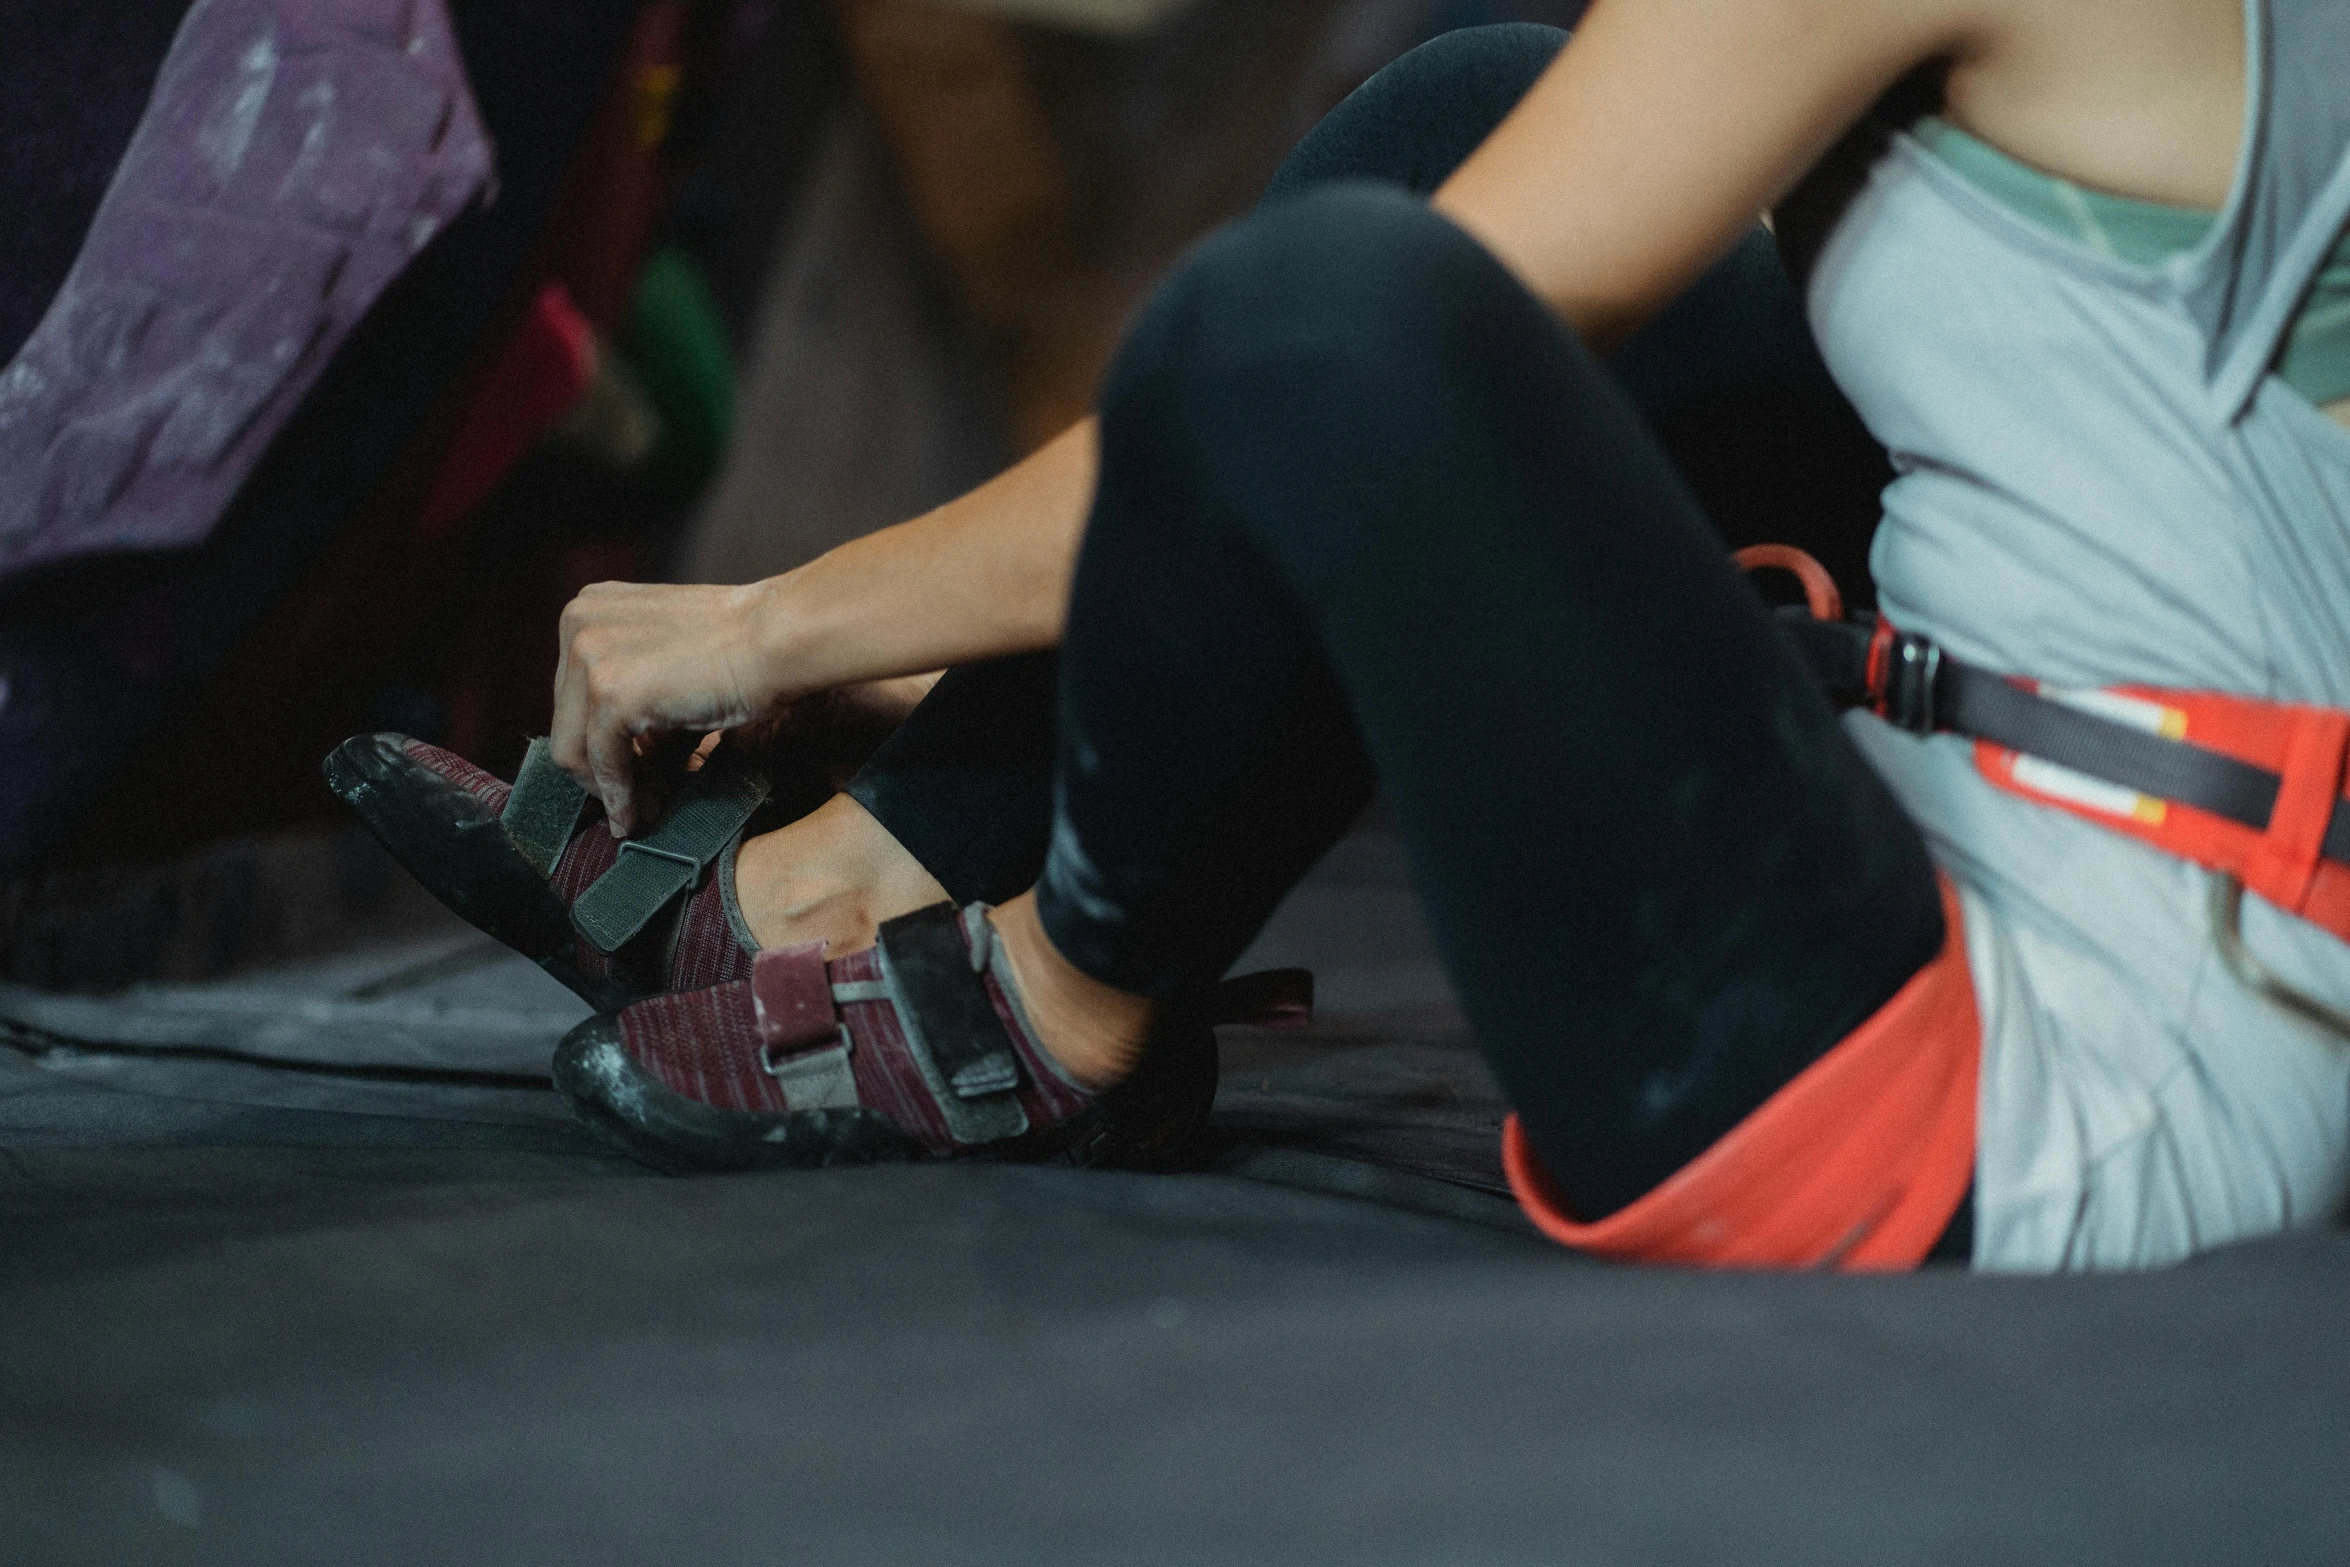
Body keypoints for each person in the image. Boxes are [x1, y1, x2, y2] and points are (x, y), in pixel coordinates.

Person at [331, 0, 2350, 1271]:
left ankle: (1063, 1000)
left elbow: (1322, 377)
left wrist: (764, 627)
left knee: (1319, 317)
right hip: (2207, 933)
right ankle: (864, 881)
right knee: (1472, 108)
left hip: (2061, 1108)